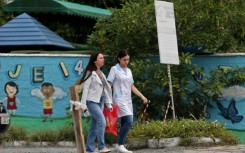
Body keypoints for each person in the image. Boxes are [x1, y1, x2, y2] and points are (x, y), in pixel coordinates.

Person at [107, 50, 148, 153]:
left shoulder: (129, 71)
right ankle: (120, 144)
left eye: (128, 59)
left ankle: (120, 145)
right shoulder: (114, 69)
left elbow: (131, 86)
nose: (126, 62)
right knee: (129, 120)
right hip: (118, 98)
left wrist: (142, 96)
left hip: (127, 99)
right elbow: (109, 85)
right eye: (124, 59)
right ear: (119, 59)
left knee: (124, 122)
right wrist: (107, 100)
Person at [80, 52, 113, 153]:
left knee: (94, 126)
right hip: (91, 101)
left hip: (101, 101)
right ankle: (102, 147)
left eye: (103, 58)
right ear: (95, 61)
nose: (103, 59)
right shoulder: (90, 73)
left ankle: (89, 149)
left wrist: (108, 104)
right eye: (101, 58)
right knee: (101, 122)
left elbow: (105, 90)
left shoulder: (101, 74)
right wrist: (83, 104)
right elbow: (85, 89)